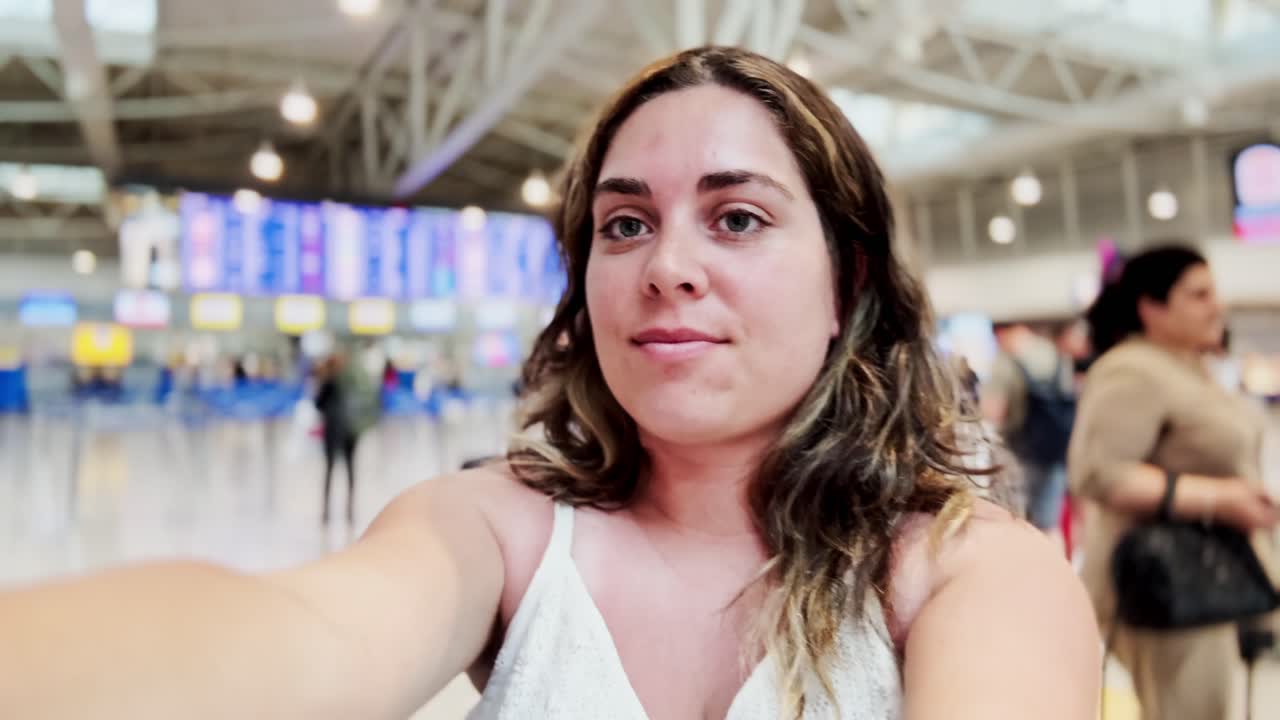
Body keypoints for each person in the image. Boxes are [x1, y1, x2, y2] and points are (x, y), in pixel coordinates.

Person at [0, 47, 1098, 719]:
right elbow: (295, 641)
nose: (666, 264)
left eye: (738, 218)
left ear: (844, 280)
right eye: (624, 224)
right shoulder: (496, 535)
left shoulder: (965, 574)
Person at [1068, 244, 1280, 720]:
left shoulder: (1186, 367)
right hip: (1170, 583)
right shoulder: (1131, 370)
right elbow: (1097, 472)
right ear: (1152, 307)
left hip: (1213, 574)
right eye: (1198, 295)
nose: (1216, 306)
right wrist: (1220, 499)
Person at [984, 322, 1077, 534]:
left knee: (1018, 525)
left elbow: (993, 410)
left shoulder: (1006, 358)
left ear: (999, 332)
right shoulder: (1053, 353)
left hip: (1020, 454)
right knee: (1049, 525)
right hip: (1055, 451)